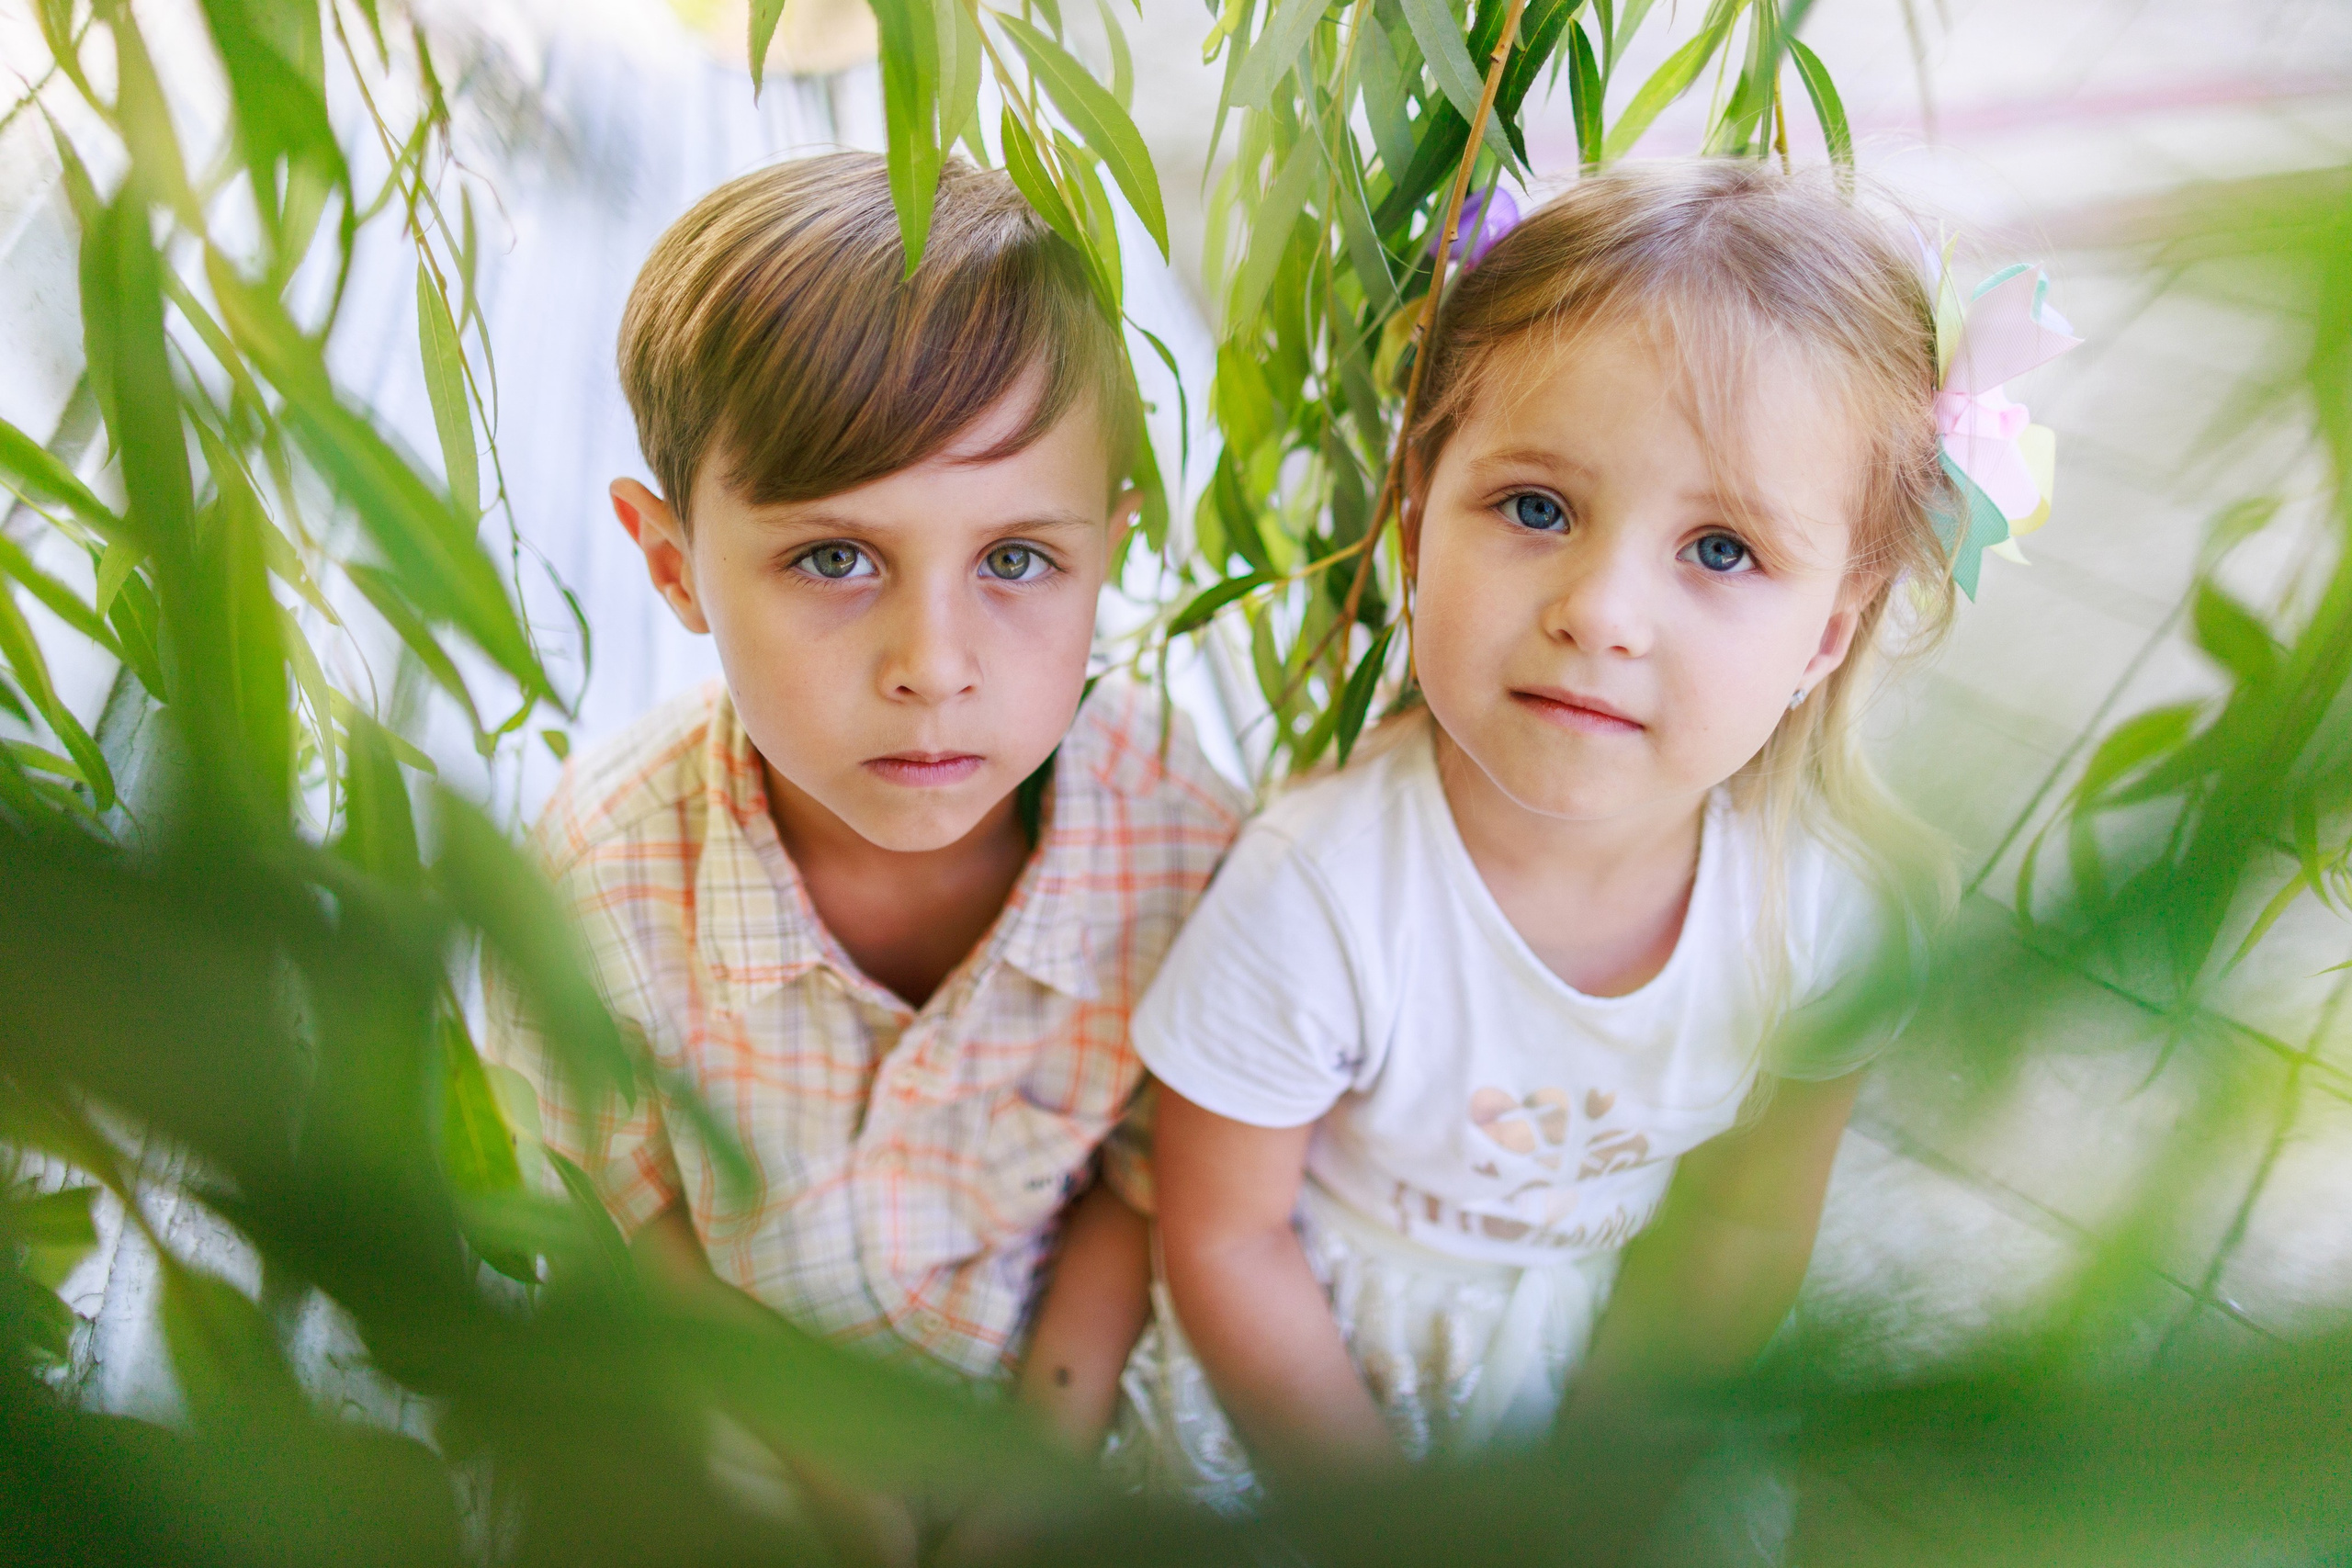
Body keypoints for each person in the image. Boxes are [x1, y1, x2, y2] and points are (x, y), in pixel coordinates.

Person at [1110, 162, 2039, 1513]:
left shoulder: (1833, 920)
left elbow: (1743, 1228)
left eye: (1720, 550)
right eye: (1536, 508)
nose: (1601, 611)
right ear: (1421, 517)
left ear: (1828, 632)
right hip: (1314, 1393)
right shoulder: (1318, 891)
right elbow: (1225, 1235)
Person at [484, 152, 1241, 1553]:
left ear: (1112, 546)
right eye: (836, 559)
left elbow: (1145, 1179)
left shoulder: (1176, 832)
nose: (935, 667)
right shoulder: (601, 885)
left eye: (1017, 559)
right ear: (671, 564)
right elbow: (635, 1230)